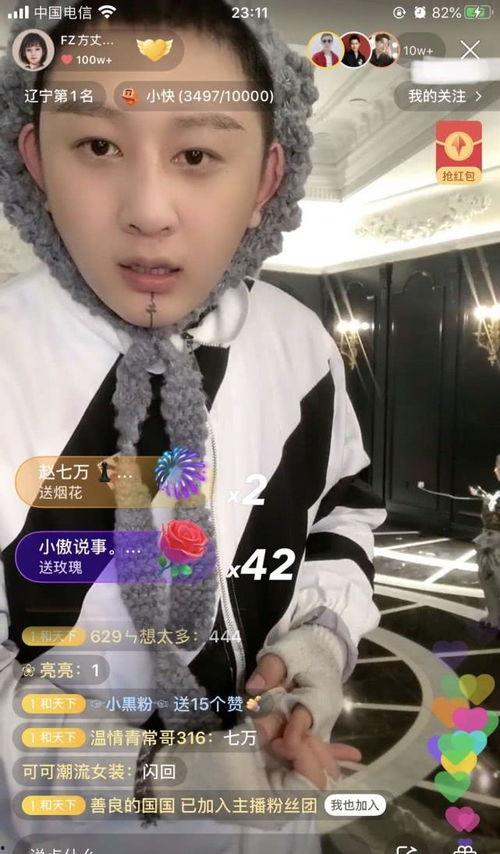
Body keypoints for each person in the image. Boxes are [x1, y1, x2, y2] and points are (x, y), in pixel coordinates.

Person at [0, 0, 385, 850]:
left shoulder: (301, 346)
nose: (149, 210)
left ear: (266, 181)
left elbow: (340, 517)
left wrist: (314, 651)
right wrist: (147, 771)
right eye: (97, 147)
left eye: (198, 154)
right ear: (35, 163)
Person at [469, 456, 500, 629]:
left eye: (498, 468)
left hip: (496, 543)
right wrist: (487, 503)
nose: (495, 470)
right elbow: (487, 519)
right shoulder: (497, 495)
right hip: (490, 541)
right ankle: (494, 615)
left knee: (494, 579)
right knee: (487, 578)